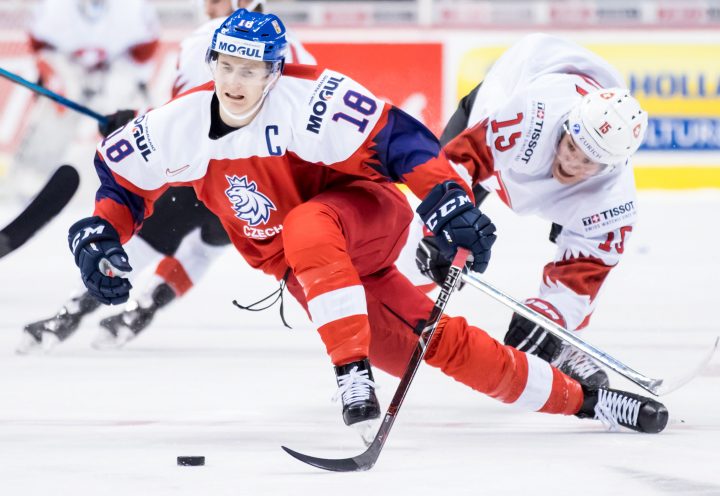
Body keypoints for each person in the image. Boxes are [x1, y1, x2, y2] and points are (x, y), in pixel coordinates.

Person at [66, 10, 668, 437]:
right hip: (313, 272)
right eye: (227, 66)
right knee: (432, 348)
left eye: (253, 70)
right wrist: (99, 239)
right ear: (213, 63)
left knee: (307, 223)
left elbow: (403, 140)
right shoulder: (177, 124)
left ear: (277, 72)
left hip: (365, 220)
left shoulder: (313, 100)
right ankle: (589, 403)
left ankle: (348, 374)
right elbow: (121, 185)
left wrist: (447, 202)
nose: (236, 83)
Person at [19, 0, 316, 352]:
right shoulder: (294, 48)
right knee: (207, 244)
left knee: (149, 240)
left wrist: (133, 122)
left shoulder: (207, 39)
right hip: (271, 187)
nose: (208, 7)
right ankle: (144, 308)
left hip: (212, 171)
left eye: (216, 0)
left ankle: (69, 314)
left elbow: (188, 117)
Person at [415, 33, 647, 389]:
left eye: (588, 161)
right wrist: (442, 222)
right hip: (504, 107)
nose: (571, 162)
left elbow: (582, 277)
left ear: (612, 165)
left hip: (559, 174)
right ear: (568, 125)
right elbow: (458, 164)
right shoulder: (530, 116)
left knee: (577, 246)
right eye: (571, 145)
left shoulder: (613, 200)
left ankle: (567, 346)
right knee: (421, 238)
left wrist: (548, 320)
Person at [8, 0, 159, 198]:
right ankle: (32, 178)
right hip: (67, 63)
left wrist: (125, 75)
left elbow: (145, 49)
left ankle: (138, 181)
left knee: (122, 103)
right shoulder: (54, 9)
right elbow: (39, 44)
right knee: (59, 102)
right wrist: (55, 74)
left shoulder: (132, 9)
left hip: (116, 66)